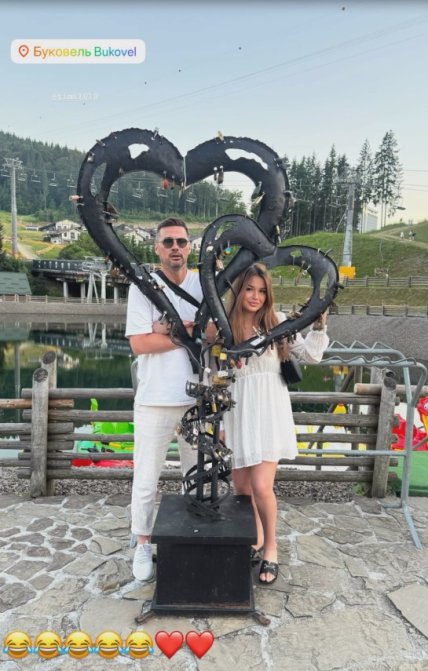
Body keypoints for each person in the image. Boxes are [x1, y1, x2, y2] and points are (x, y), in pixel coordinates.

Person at [223, 264, 329, 585]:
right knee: (242, 488)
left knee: (261, 486)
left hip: (268, 411)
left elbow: (311, 356)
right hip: (237, 411)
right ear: (238, 291)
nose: (255, 296)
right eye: (249, 289)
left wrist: (319, 324)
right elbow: (215, 373)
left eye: (262, 290)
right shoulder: (225, 326)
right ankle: (254, 538)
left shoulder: (277, 322)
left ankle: (271, 547)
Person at [125, 217, 203, 582]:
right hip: (154, 398)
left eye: (181, 242)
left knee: (196, 475)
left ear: (189, 247)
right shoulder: (143, 287)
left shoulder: (203, 283)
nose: (175, 247)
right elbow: (140, 344)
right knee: (146, 478)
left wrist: (165, 330)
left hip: (196, 397)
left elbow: (213, 331)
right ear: (157, 247)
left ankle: (191, 534)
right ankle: (142, 541)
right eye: (168, 241)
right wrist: (185, 331)